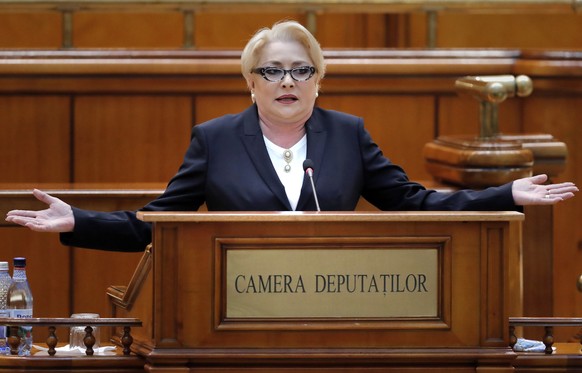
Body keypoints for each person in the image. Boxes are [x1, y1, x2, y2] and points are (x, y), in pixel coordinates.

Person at [5, 20, 578, 252]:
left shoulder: (349, 135)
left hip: (335, 301)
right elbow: (158, 225)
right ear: (250, 82)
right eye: (273, 71)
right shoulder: (216, 139)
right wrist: (78, 220)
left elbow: (413, 203)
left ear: (318, 82)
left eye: (302, 70)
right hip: (234, 306)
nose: (288, 81)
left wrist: (507, 195)